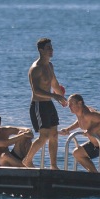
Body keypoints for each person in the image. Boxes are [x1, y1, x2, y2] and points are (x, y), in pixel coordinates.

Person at [22, 38, 68, 168]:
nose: (51, 50)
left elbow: (54, 84)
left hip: (49, 104)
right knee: (45, 136)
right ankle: (27, 160)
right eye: (48, 48)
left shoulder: (50, 65)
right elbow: (36, 91)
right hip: (38, 105)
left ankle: (53, 166)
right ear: (41, 50)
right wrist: (54, 96)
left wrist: (62, 98)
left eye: (51, 47)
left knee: (54, 135)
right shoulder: (36, 68)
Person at [60, 93, 100, 174]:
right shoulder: (80, 115)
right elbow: (80, 122)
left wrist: (92, 130)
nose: (69, 106)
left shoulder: (88, 115)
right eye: (69, 104)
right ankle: (94, 174)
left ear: (80, 103)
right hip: (96, 145)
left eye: (71, 104)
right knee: (77, 153)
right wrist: (68, 129)